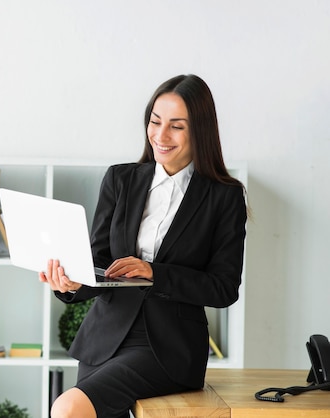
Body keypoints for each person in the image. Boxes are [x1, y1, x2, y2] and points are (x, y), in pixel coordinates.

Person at [39, 74, 247, 418]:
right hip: (104, 338)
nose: (161, 136)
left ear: (201, 131)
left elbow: (224, 289)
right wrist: (71, 283)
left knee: (67, 409)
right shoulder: (121, 179)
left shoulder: (223, 196)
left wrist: (155, 273)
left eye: (176, 126)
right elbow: (100, 261)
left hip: (168, 348)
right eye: (155, 121)